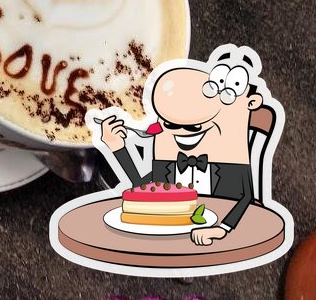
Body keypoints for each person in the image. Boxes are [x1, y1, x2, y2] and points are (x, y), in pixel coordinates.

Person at [96, 45, 264, 246]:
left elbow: (245, 198)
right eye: (169, 124)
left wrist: (222, 228)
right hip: (167, 225)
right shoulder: (168, 154)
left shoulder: (228, 160)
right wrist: (117, 147)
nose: (180, 131)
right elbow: (145, 189)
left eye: (192, 126)